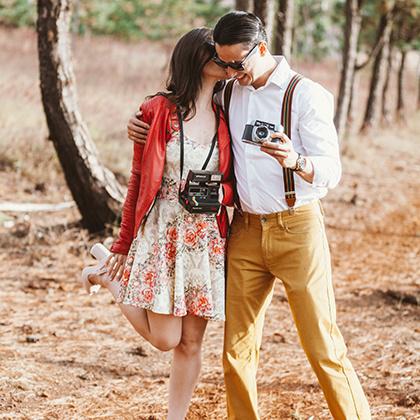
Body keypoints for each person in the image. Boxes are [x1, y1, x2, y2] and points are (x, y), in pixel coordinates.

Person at [126, 11, 371, 420]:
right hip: (244, 231)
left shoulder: (306, 94)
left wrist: (296, 160)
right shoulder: (229, 92)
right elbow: (186, 106)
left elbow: (332, 171)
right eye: (223, 64)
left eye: (236, 64)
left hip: (297, 228)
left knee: (322, 346)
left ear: (260, 50)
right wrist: (139, 124)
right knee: (236, 351)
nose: (229, 72)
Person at [81, 27, 234, 420]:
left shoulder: (228, 113)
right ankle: (108, 275)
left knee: (192, 344)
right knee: (167, 339)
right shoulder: (158, 110)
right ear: (196, 58)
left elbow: (234, 179)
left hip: (205, 237)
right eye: (216, 54)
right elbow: (137, 177)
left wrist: (225, 199)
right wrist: (121, 243)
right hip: (163, 230)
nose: (225, 60)